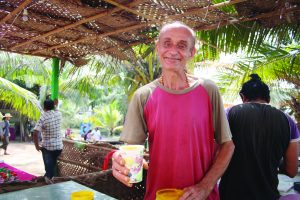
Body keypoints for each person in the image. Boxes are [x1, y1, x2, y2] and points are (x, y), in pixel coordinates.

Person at [112, 21, 235, 200]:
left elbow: (227, 145)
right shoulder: (143, 96)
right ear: (158, 48)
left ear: (191, 53)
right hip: (158, 196)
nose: (173, 50)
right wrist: (120, 160)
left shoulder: (208, 90)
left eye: (182, 45)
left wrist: (205, 186)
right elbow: (131, 150)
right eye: (167, 43)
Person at [219, 74, 299, 200]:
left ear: (242, 97)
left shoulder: (228, 114)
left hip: (230, 194)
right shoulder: (288, 121)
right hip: (268, 195)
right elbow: (292, 170)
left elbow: (215, 156)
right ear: (268, 98)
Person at [33, 99, 63, 183]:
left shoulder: (43, 117)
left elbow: (35, 133)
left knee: (49, 166)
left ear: (44, 107)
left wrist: (37, 146)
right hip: (59, 147)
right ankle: (51, 177)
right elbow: (56, 109)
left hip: (48, 148)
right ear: (53, 106)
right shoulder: (58, 114)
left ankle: (49, 180)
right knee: (52, 165)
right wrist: (56, 105)